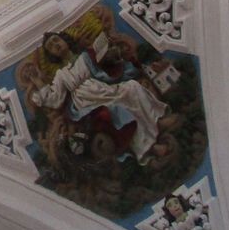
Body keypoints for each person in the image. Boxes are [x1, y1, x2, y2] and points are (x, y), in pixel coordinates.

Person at [28, 32, 172, 163]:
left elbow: (104, 67)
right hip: (87, 102)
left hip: (103, 88)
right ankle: (147, 147)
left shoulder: (85, 56)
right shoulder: (61, 75)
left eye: (56, 40)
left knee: (133, 87)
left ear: (64, 40)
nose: (56, 45)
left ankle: (156, 121)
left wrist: (108, 50)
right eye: (51, 47)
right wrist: (37, 81)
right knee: (119, 109)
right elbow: (55, 99)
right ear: (52, 54)